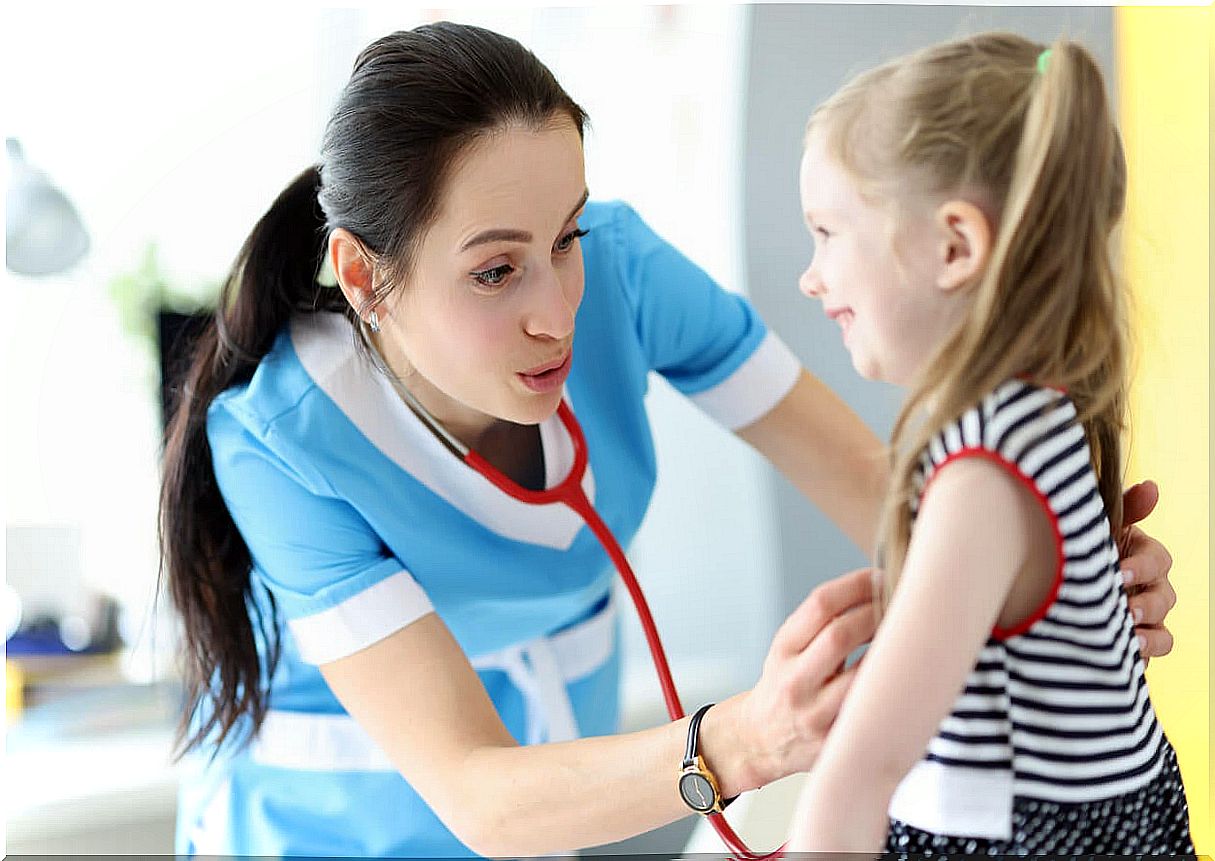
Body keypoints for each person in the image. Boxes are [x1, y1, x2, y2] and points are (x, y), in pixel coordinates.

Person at [159, 23, 1180, 858]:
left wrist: (1046, 585)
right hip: (329, 832)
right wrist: (746, 738)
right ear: (364, 272)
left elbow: (879, 493)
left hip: (557, 802)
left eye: (565, 235)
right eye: (494, 272)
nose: (559, 308)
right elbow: (481, 798)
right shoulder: (281, 444)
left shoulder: (628, 273)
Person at [785, 33, 1193, 855]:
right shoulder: (1051, 415)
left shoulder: (983, 471)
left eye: (827, 232)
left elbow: (860, 767)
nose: (811, 274)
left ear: (954, 247)